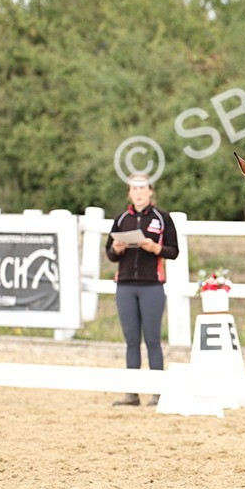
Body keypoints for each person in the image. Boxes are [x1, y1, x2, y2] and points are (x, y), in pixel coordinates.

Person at [105, 174, 179, 406]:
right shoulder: (121, 219)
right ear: (129, 192)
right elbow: (109, 254)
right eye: (134, 188)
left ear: (150, 191)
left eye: (142, 188)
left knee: (153, 339)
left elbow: (173, 251)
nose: (138, 192)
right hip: (125, 285)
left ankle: (157, 391)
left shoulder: (162, 218)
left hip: (152, 286)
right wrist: (117, 248)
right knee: (131, 340)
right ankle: (132, 392)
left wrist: (155, 247)